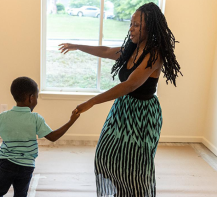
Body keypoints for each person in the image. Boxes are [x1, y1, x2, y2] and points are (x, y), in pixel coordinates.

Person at [59, 2, 182, 197]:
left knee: (135, 165)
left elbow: (130, 85)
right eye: (130, 23)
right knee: (105, 154)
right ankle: (118, 193)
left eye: (136, 25)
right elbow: (107, 51)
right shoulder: (131, 49)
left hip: (143, 115)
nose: (131, 28)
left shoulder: (155, 54)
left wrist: (91, 102)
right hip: (123, 109)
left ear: (149, 27)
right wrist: (77, 46)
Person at [0, 76, 80, 197]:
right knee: (21, 194)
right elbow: (53, 137)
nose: (36, 100)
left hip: (5, 165)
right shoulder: (35, 119)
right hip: (26, 166)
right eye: (37, 97)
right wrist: (71, 121)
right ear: (31, 98)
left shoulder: (2, 117)